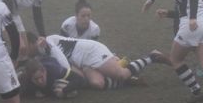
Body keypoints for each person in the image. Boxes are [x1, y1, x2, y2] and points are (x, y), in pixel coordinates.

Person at [25, 32, 169, 92]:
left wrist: (69, 79)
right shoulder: (39, 54)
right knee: (96, 84)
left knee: (120, 74)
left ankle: (151, 56)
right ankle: (127, 80)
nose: (23, 51)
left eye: (24, 47)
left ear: (32, 43)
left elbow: (64, 64)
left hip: (91, 52)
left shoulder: (48, 42)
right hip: (82, 62)